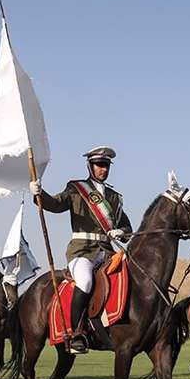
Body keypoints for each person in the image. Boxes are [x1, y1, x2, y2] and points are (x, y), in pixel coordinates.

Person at [29, 146, 132, 354]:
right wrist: (40, 193)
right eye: (99, 165)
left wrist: (120, 232)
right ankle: (77, 333)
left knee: (130, 277)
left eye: (106, 165)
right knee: (85, 281)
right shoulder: (77, 189)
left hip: (107, 251)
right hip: (82, 251)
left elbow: (128, 229)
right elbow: (56, 204)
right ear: (90, 166)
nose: (103, 169)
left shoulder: (114, 197)